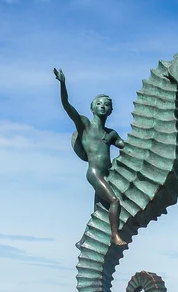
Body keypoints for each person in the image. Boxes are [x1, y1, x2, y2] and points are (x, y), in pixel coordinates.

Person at [54, 68, 127, 246]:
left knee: (98, 212)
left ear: (111, 110)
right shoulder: (85, 125)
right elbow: (67, 106)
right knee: (114, 201)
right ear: (92, 107)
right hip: (94, 173)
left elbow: (128, 147)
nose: (103, 106)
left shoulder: (111, 134)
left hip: (108, 174)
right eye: (99, 103)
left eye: (106, 105)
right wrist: (63, 84)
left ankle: (83, 241)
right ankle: (115, 236)